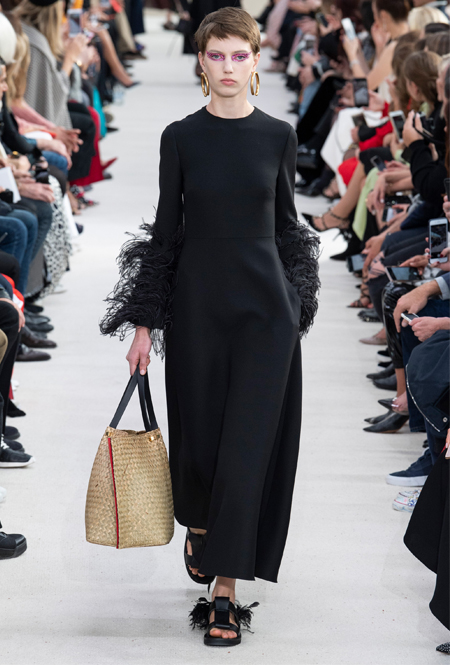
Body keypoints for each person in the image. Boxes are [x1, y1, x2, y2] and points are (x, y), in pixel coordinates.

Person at [100, 6, 320, 647]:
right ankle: (201, 524)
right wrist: (144, 323)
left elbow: (287, 227)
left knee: (247, 451)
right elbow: (165, 233)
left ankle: (225, 591)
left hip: (265, 317)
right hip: (198, 311)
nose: (228, 67)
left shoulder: (278, 135)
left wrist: (294, 302)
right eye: (217, 55)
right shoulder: (181, 138)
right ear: (201, 60)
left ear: (255, 61)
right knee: (199, 444)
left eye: (239, 55)